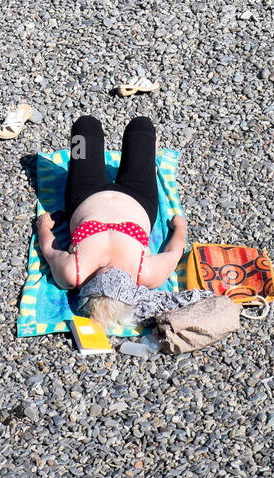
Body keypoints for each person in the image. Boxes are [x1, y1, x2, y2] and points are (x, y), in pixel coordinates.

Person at [36, 115, 187, 330]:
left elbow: (49, 249)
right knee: (141, 126)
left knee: (86, 126)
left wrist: (44, 226)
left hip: (85, 196)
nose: (110, 268)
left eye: (104, 276)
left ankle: (136, 160)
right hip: (139, 198)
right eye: (118, 276)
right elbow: (174, 253)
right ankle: (147, 162)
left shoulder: (74, 273)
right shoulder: (146, 273)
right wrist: (180, 227)